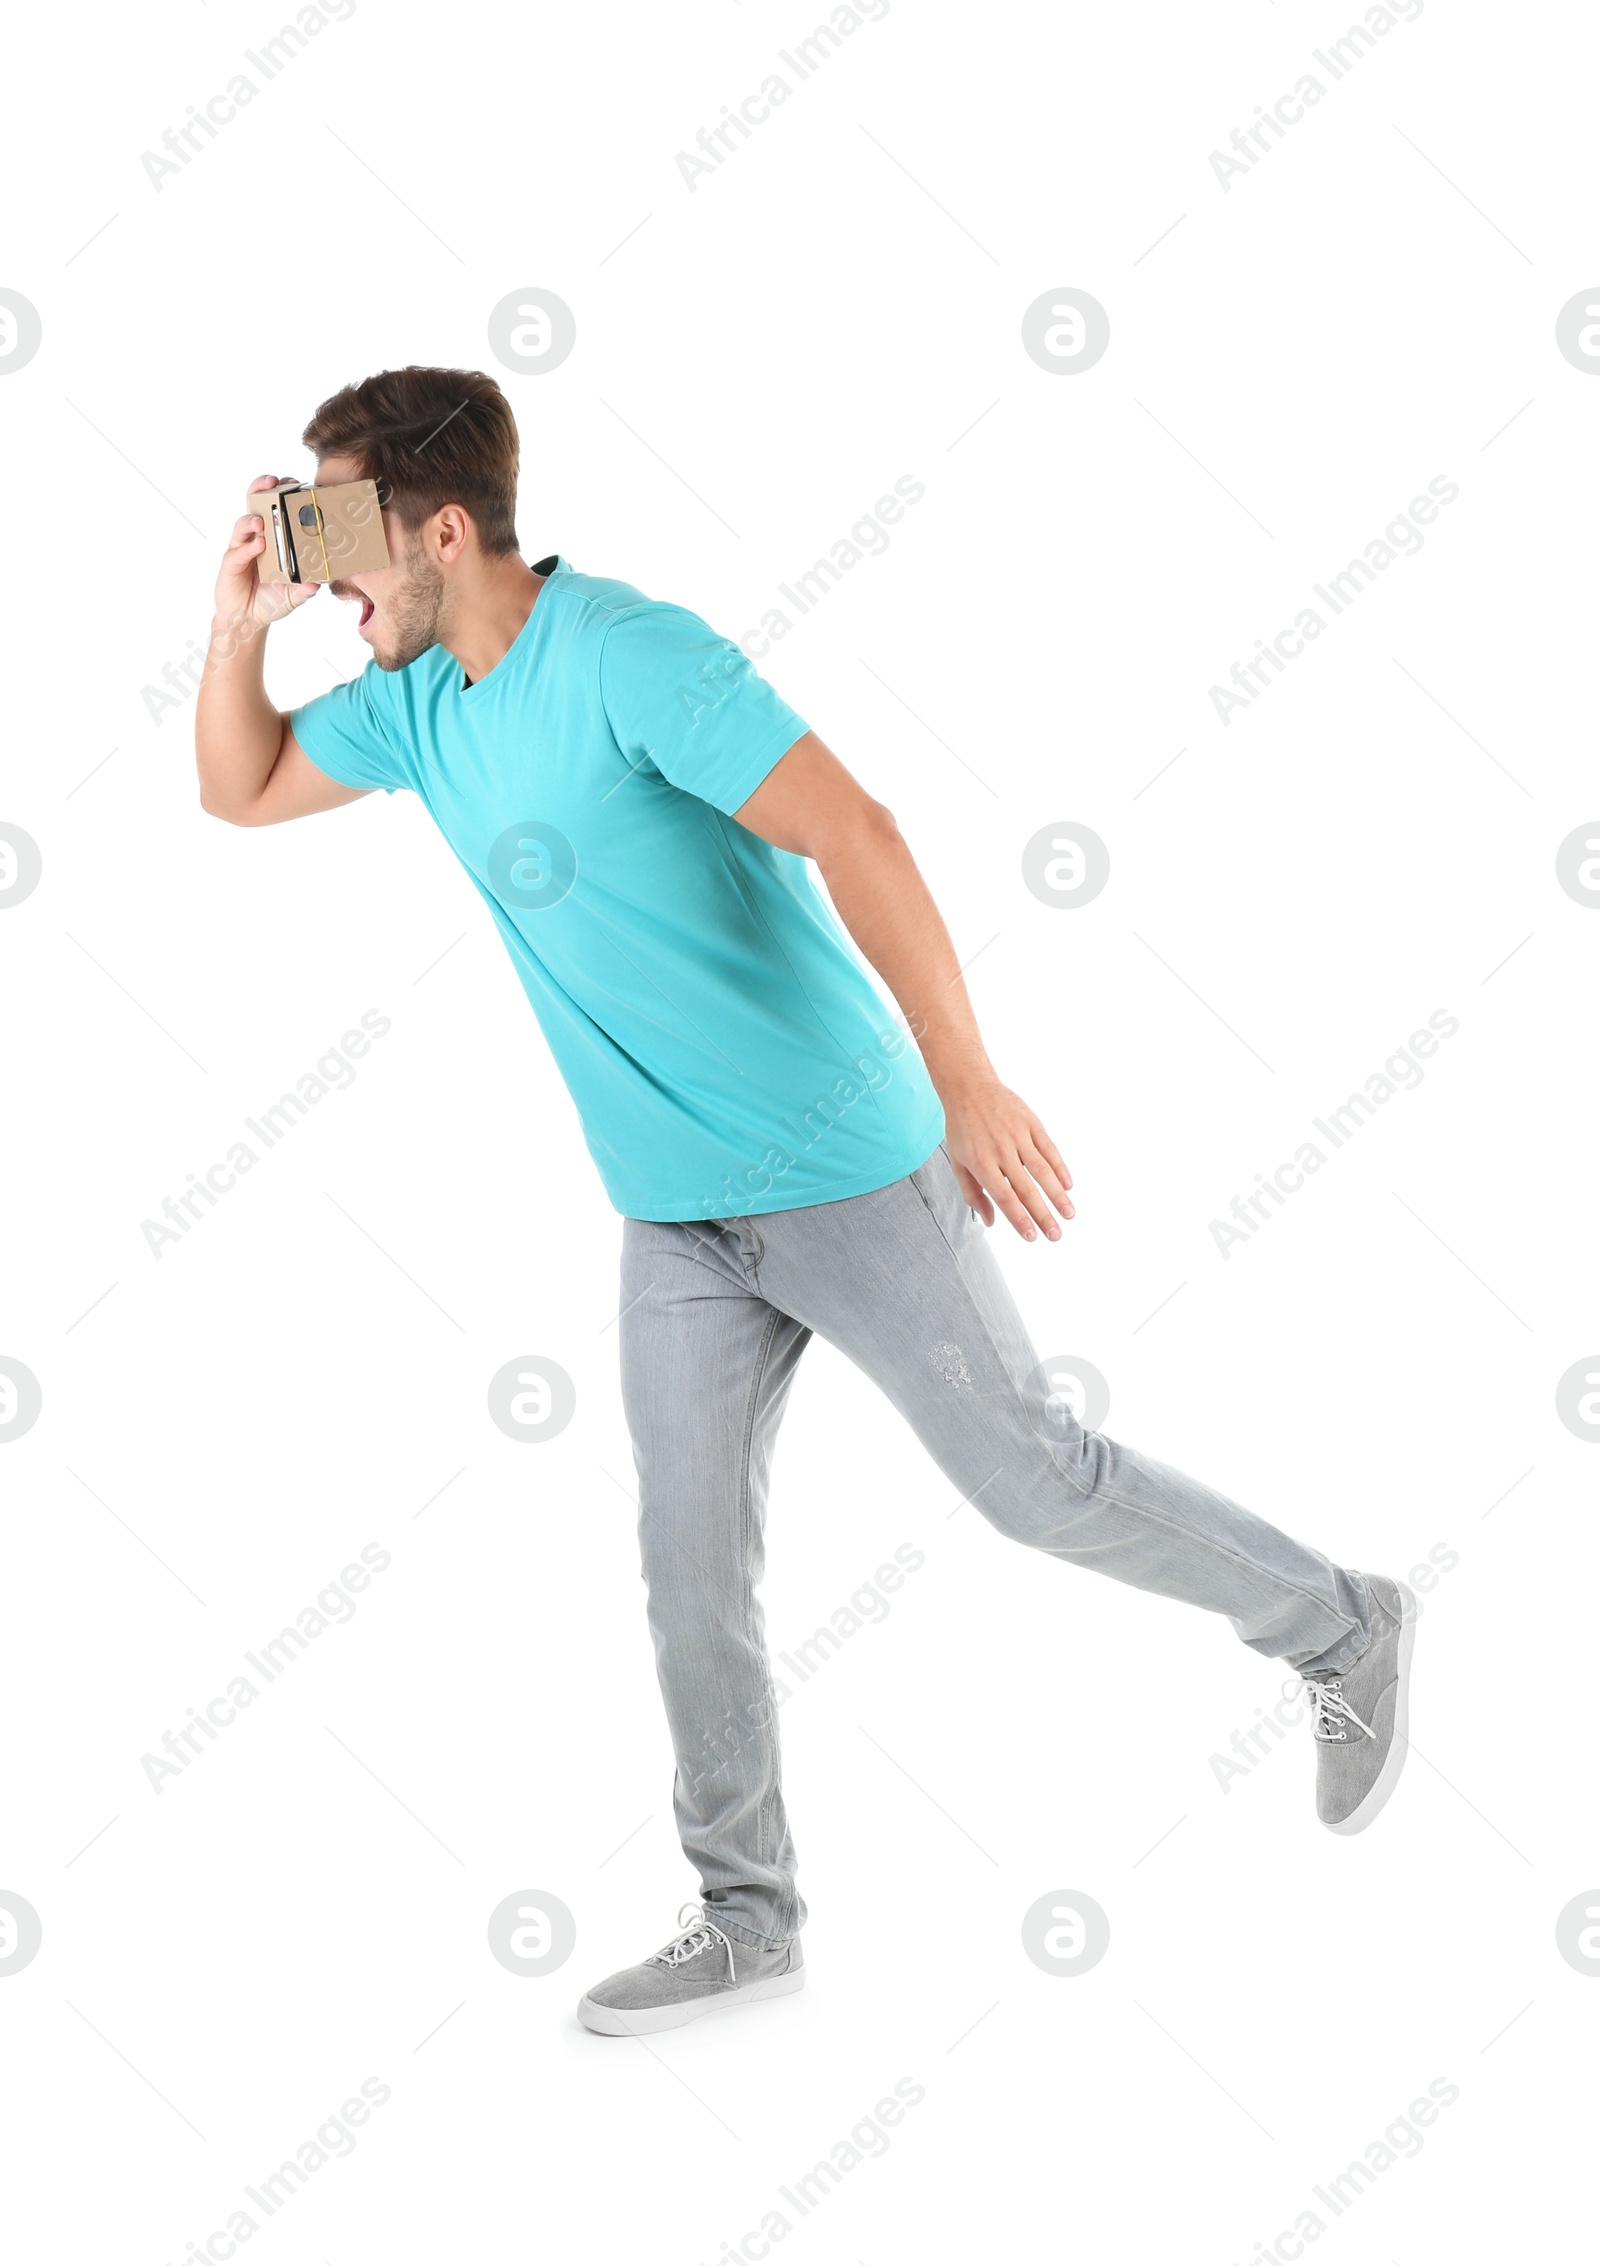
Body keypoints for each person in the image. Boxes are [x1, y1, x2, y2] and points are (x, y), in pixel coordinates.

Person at [195, 365, 1418, 2039]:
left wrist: (970, 1081)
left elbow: (859, 827)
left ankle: (1342, 1623)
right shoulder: (416, 702)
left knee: (1034, 1481)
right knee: (686, 1561)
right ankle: (746, 1915)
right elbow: (239, 787)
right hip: (673, 1212)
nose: (331, 579)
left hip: (847, 1160)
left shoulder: (628, 653)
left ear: (447, 527)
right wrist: (237, 623)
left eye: (344, 538)